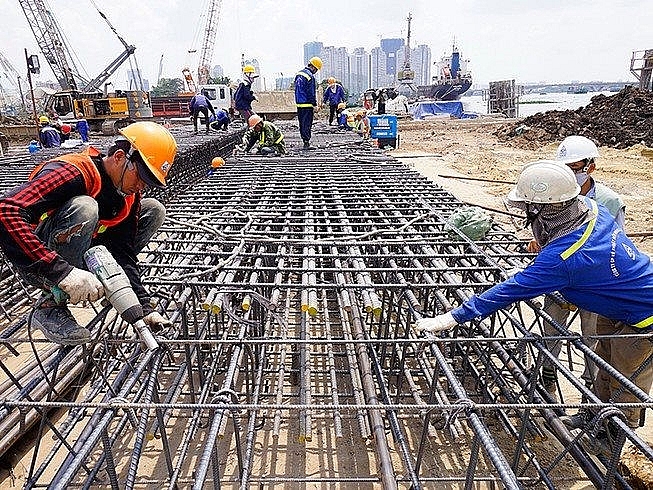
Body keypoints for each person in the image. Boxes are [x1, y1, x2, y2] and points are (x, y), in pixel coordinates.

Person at [415, 160, 653, 453]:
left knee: (625, 384)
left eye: (529, 207)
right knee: (603, 368)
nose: (527, 214)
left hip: (644, 321)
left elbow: (510, 291)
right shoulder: (591, 210)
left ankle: (610, 444)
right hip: (618, 307)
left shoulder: (563, 258)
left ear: (543, 209)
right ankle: (593, 416)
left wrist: (453, 316)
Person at [0, 121, 178, 345]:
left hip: (83, 255)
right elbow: (5, 211)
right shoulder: (74, 171)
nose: (142, 186)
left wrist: (140, 305)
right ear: (120, 157)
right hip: (38, 258)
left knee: (154, 209)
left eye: (148, 181)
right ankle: (49, 306)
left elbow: (124, 252)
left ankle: (108, 286)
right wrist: (62, 272)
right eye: (141, 177)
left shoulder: (128, 195)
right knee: (85, 206)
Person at [536, 136, 626, 404]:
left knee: (593, 340)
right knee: (551, 328)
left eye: (576, 167)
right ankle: (548, 382)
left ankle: (589, 398)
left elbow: (617, 243)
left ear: (590, 167)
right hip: (561, 278)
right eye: (567, 168)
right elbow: (544, 233)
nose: (572, 174)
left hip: (595, 282)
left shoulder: (610, 201)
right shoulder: (553, 194)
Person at [294, 56, 322, 149]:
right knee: (307, 123)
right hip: (307, 104)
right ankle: (307, 142)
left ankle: (304, 139)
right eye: (316, 69)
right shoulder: (310, 76)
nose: (316, 71)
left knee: (302, 123)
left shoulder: (299, 74)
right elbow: (311, 92)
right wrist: (314, 104)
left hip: (299, 103)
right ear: (314, 67)